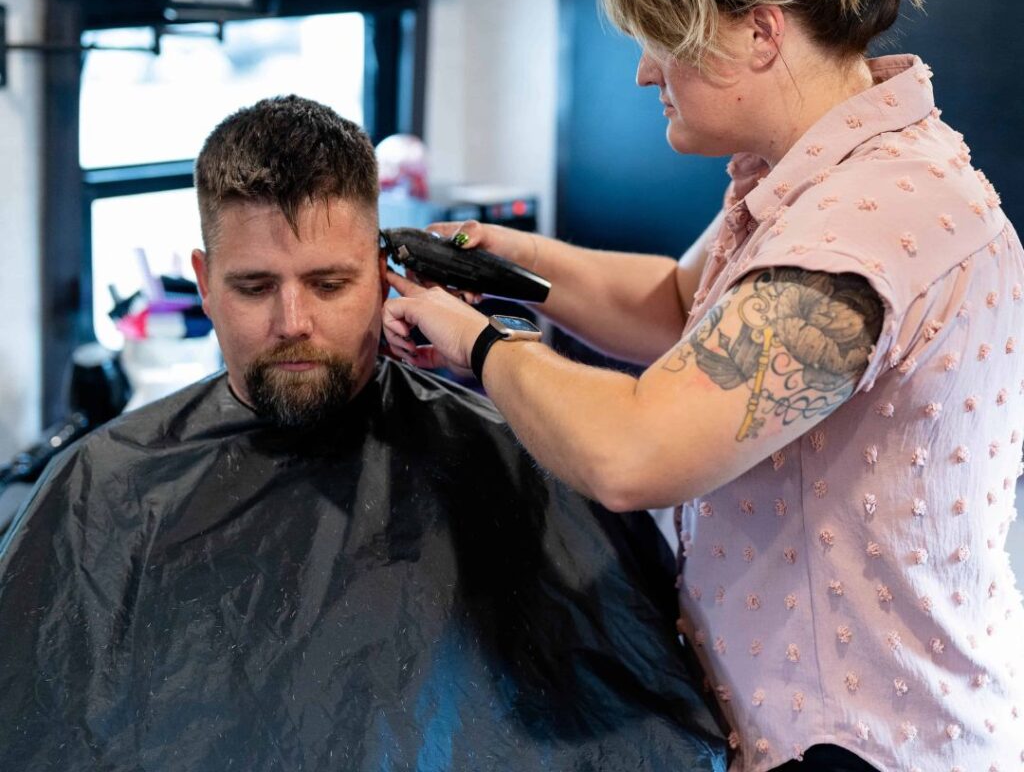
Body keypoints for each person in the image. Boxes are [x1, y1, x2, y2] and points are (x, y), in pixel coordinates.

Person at [382, 0, 1024, 772]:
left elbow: (634, 451)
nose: (646, 73)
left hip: (871, 747)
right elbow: (691, 313)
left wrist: (476, 339)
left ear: (760, 34)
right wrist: (505, 267)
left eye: (663, 37)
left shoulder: (868, 227)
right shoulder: (814, 176)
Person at [0, 97, 726, 771]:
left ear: (384, 276)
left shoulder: (506, 459)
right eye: (255, 287)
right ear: (204, 280)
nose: (293, 323)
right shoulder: (108, 488)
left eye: (328, 284)